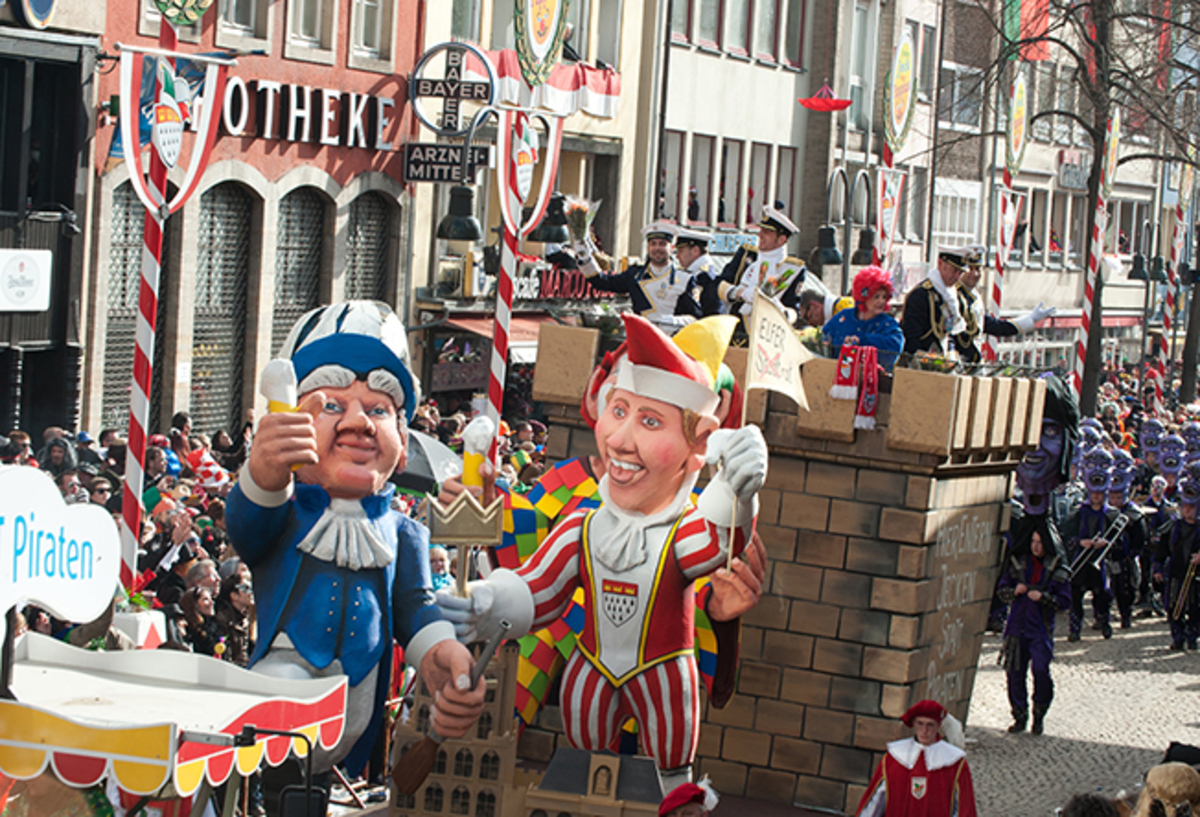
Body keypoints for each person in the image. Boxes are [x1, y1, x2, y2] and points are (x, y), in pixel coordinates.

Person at [437, 314, 767, 791]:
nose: (618, 439)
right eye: (618, 410)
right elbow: (539, 581)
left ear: (699, 443)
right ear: (598, 398)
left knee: (669, 781)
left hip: (664, 675)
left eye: (649, 421)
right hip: (586, 668)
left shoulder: (682, 527)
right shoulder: (581, 516)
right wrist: (488, 603)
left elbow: (717, 540)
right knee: (581, 776)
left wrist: (738, 486)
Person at [225, 300, 485, 776]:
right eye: (331, 404)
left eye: (379, 409)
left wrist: (440, 650)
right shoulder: (284, 515)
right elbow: (246, 525)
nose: (358, 422)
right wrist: (263, 471)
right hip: (283, 698)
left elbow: (416, 605)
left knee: (318, 792)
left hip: (358, 697)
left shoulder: (403, 532)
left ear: (403, 444)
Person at [997, 516, 1071, 735]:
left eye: (1040, 542)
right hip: (1017, 626)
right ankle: (1019, 715)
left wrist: (1044, 597)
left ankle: (1039, 713)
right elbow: (1002, 591)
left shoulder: (1056, 568)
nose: (1036, 547)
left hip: (1039, 628)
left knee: (1040, 670)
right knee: (1014, 673)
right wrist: (1014, 591)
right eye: (1033, 542)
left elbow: (1064, 601)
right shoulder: (1018, 564)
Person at [573, 223, 701, 334]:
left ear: (672, 248)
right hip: (641, 340)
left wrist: (671, 321)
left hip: (672, 343)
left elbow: (695, 318)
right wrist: (584, 256)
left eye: (662, 244)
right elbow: (600, 281)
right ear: (648, 248)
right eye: (653, 244)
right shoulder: (634, 275)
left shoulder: (686, 279)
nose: (657, 248)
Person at [856, 699, 977, 816]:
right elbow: (876, 800)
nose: (924, 731)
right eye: (920, 724)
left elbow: (963, 808)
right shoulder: (894, 757)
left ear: (939, 725)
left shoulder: (954, 762)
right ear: (913, 723)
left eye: (930, 725)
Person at [950, 244, 1056, 362]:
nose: (975, 274)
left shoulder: (974, 297)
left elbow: (996, 327)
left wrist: (1031, 319)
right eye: (970, 269)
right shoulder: (954, 296)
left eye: (978, 269)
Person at [700, 205, 806, 322]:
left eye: (766, 232)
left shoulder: (793, 268)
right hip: (736, 327)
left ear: (781, 239)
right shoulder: (747, 254)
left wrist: (782, 311)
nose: (760, 235)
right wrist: (738, 292)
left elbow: (794, 309)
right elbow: (717, 285)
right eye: (761, 230)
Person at [1061, 449, 1118, 641]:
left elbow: (1120, 543)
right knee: (1075, 596)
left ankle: (1104, 622)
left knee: (1103, 596)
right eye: (1093, 493)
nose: (1095, 496)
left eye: (1099, 493)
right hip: (1080, 560)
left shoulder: (1112, 515)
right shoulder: (1077, 513)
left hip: (1101, 562)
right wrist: (1080, 542)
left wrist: (1106, 543)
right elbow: (1066, 535)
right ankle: (1074, 629)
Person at [822, 266, 904, 372]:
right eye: (876, 296)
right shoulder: (843, 318)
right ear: (863, 296)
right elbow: (824, 339)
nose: (881, 301)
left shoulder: (888, 324)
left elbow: (895, 347)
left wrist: (863, 340)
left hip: (874, 383)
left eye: (884, 297)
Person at [1154, 477, 1200, 650]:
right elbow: (1162, 551)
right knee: (1174, 608)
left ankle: (1192, 637)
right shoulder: (1172, 527)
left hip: (1196, 575)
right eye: (1184, 507)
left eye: (1190, 508)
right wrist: (1158, 569)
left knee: (1196, 609)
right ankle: (1178, 638)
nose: (1186, 511)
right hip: (1175, 572)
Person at [901, 247, 970, 357]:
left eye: (960, 273)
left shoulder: (955, 298)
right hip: (922, 359)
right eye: (954, 270)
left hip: (944, 357)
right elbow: (912, 337)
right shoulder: (921, 295)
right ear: (940, 264)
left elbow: (954, 334)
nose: (957, 277)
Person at [181, 586, 223, 657]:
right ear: (194, 605)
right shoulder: (189, 629)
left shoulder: (216, 625)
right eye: (205, 599)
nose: (211, 602)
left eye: (211, 599)